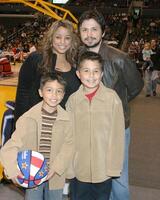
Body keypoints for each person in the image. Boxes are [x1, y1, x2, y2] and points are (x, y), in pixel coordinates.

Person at [69, 9, 144, 200]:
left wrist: (114, 107)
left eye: (94, 29)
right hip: (88, 126)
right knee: (93, 173)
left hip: (116, 128)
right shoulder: (76, 57)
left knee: (117, 177)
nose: (89, 34)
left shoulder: (119, 58)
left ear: (103, 32)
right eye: (84, 30)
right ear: (79, 32)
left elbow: (136, 87)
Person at [0, 73, 74, 200]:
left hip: (55, 174)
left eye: (59, 91)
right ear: (40, 92)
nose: (54, 95)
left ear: (63, 94)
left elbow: (69, 145)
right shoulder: (27, 118)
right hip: (32, 174)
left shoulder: (67, 120)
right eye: (49, 90)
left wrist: (56, 168)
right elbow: (11, 146)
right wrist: (12, 171)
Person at [66, 51, 125, 200]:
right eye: (86, 71)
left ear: (102, 73)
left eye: (96, 71)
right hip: (79, 171)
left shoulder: (112, 99)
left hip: (103, 170)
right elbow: (68, 137)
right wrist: (69, 167)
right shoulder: (73, 101)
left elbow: (117, 137)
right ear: (78, 74)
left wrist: (113, 167)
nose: (91, 76)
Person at [14, 19, 80, 122]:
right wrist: (21, 124)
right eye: (58, 37)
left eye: (67, 38)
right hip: (37, 125)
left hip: (63, 129)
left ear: (72, 41)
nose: (62, 42)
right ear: (51, 38)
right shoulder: (36, 59)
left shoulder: (75, 65)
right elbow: (23, 94)